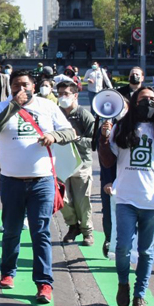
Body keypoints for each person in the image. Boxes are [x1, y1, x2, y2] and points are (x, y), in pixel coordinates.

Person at [0, 70, 76, 304]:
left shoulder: (48, 107)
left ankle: (44, 283)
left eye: (25, 85)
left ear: (33, 87)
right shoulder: (1, 107)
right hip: (11, 181)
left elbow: (70, 132)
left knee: (41, 233)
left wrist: (54, 136)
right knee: (11, 231)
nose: (20, 89)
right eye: (16, 86)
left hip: (42, 181)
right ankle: (8, 272)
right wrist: (12, 107)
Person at [98, 87, 154, 306]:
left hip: (153, 202)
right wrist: (104, 139)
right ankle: (123, 283)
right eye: (143, 99)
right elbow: (107, 162)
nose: (147, 103)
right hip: (126, 199)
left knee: (146, 252)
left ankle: (139, 296)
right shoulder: (121, 127)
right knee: (123, 247)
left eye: (151, 100)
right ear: (134, 103)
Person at [57, 81, 96, 246]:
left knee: (82, 200)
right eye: (60, 93)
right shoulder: (56, 113)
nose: (62, 97)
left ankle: (87, 231)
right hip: (60, 162)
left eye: (66, 93)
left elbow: (94, 141)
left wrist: (77, 139)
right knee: (62, 198)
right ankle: (73, 226)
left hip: (81, 163)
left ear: (75, 95)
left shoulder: (84, 115)